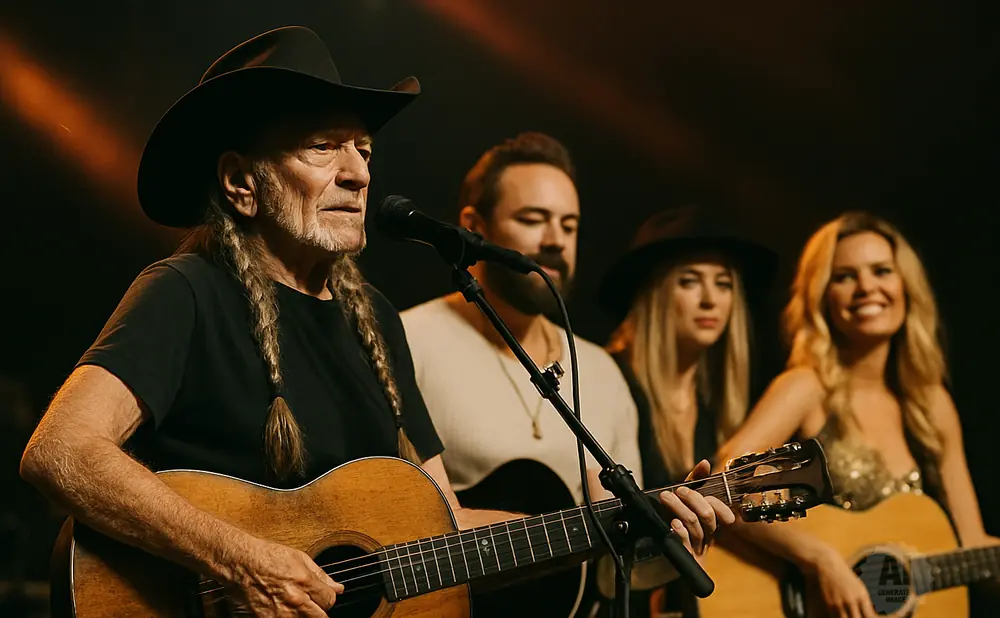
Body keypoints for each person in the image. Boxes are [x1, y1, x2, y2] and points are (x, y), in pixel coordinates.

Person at [18, 27, 732, 618]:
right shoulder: (186, 292)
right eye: (321, 147)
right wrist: (242, 559)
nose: (358, 172)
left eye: (364, 149)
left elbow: (441, 528)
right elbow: (60, 453)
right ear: (241, 183)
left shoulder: (375, 322)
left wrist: (621, 526)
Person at [400, 132, 691, 617]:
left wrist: (671, 535)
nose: (555, 240)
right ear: (474, 226)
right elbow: (393, 520)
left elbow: (612, 551)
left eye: (569, 225)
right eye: (532, 220)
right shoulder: (408, 340)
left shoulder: (600, 370)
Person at [717, 211, 997, 618]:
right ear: (822, 296)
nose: (867, 287)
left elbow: (972, 543)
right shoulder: (806, 386)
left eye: (881, 271)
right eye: (845, 276)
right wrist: (820, 560)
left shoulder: (929, 401)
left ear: (906, 286)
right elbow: (724, 485)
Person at [597, 206, 776, 617]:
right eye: (690, 281)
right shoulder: (610, 381)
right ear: (657, 293)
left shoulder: (719, 405)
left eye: (724, 284)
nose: (711, 299)